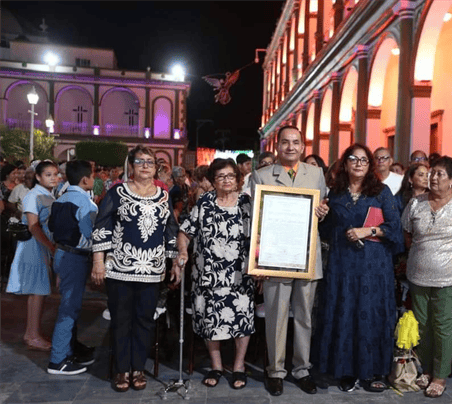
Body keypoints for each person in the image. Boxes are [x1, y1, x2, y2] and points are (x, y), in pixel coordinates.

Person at [315, 143, 403, 393]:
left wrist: (369, 230)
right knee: (344, 313)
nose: (358, 163)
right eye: (353, 159)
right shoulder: (335, 194)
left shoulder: (381, 192)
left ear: (370, 165)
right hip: (342, 265)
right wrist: (320, 215)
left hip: (373, 266)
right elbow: (325, 231)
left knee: (371, 315)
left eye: (364, 160)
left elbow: (394, 229)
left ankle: (373, 371)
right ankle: (346, 371)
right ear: (345, 163)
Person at [91, 146, 179, 392]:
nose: (144, 165)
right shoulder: (117, 192)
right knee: (121, 320)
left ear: (156, 166)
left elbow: (170, 228)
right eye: (139, 161)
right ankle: (122, 370)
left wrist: (174, 263)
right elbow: (102, 226)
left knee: (144, 321)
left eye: (149, 161)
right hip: (120, 268)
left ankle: (138, 368)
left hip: (152, 270)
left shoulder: (163, 195)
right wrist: (98, 261)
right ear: (131, 165)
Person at [251, 125, 329, 396]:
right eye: (285, 142)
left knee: (305, 316)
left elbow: (323, 205)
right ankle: (275, 370)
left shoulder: (316, 174)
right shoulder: (261, 176)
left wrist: (323, 210)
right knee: (277, 316)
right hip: (275, 256)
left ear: (303, 147)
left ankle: (302, 368)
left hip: (306, 255)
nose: (291, 147)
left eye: (296, 142)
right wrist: (258, 261)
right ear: (278, 146)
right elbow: (255, 221)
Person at [402, 156, 452, 398]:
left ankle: (440, 375)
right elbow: (407, 234)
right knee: (422, 325)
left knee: (444, 326)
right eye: (431, 173)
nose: (433, 178)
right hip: (418, 276)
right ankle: (425, 368)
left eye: (440, 174)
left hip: (450, 278)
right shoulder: (416, 204)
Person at [175, 158, 254, 390]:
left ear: (238, 179)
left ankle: (238, 366)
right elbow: (185, 231)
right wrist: (182, 250)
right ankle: (216, 365)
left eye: (230, 176)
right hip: (208, 274)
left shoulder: (247, 204)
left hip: (239, 274)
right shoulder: (205, 202)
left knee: (241, 319)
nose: (226, 180)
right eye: (221, 176)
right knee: (211, 319)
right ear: (212, 180)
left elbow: (259, 236)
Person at [47, 160, 98, 375]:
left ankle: (69, 351)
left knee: (70, 304)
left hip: (61, 253)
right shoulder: (86, 203)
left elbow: (50, 226)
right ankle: (58, 360)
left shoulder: (61, 198)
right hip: (75, 257)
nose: (94, 180)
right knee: (69, 308)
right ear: (85, 179)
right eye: (93, 176)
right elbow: (91, 234)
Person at [7, 160, 59, 351]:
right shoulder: (33, 196)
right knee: (37, 291)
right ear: (38, 177)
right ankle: (32, 334)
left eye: (55, 174)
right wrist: (51, 247)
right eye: (48, 174)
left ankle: (32, 333)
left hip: (41, 245)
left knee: (39, 291)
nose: (54, 178)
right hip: (34, 246)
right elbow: (33, 226)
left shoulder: (45, 194)